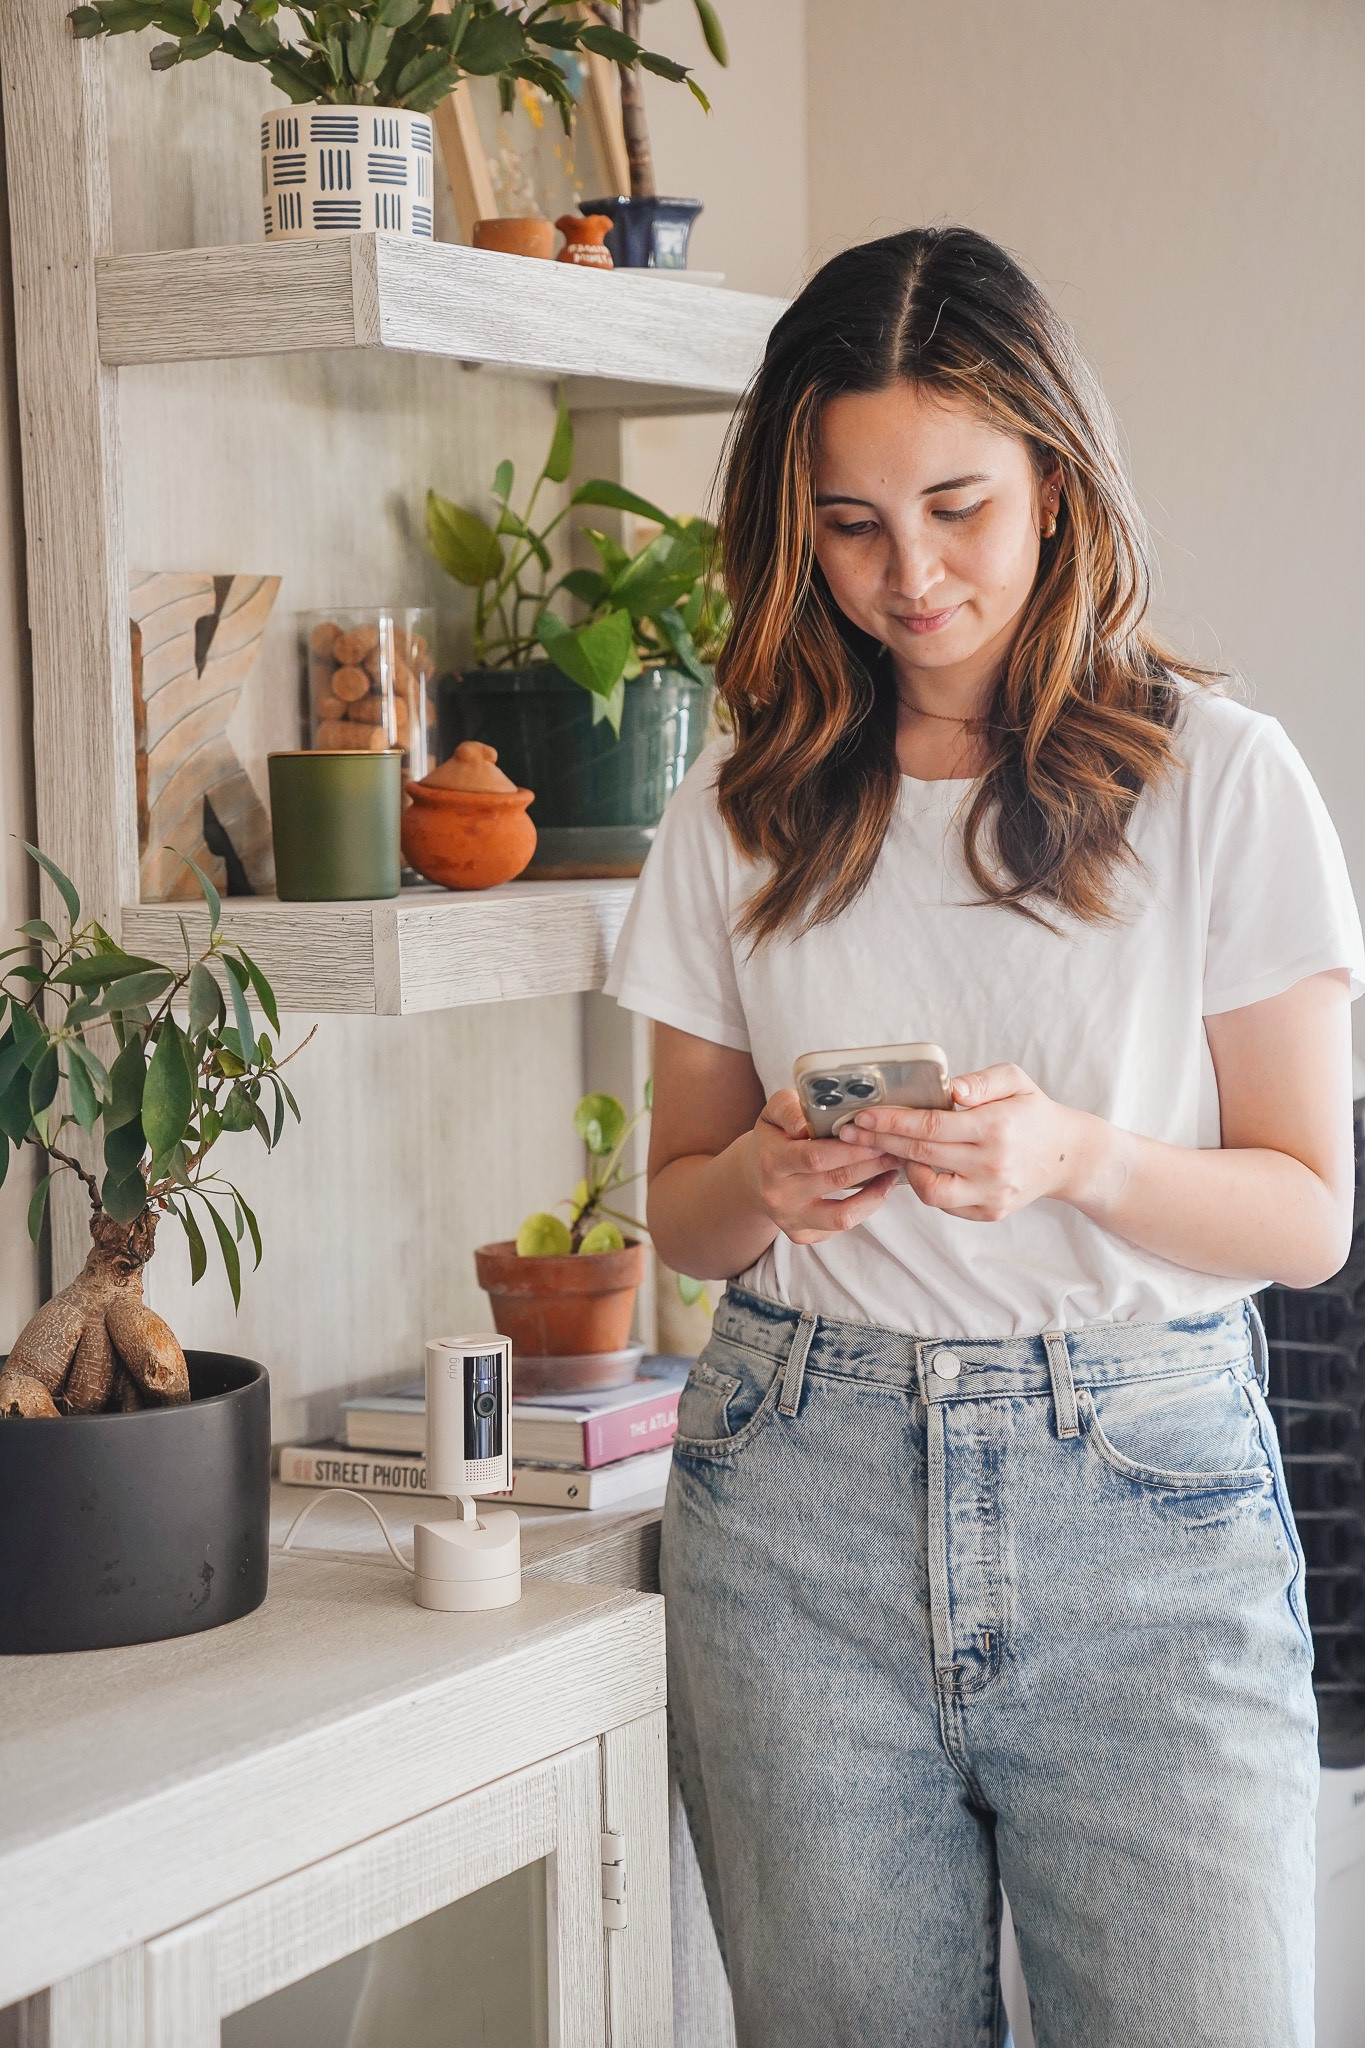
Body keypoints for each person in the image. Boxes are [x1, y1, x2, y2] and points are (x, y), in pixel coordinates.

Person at [603, 227, 1365, 2047]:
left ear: (1054, 475)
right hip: (793, 1508)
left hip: (1145, 1513)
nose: (909, 573)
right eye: (850, 523)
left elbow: (1307, 1214)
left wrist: (1080, 1160)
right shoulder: (735, 812)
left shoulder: (1219, 780)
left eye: (954, 504)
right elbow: (681, 1218)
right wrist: (766, 1182)